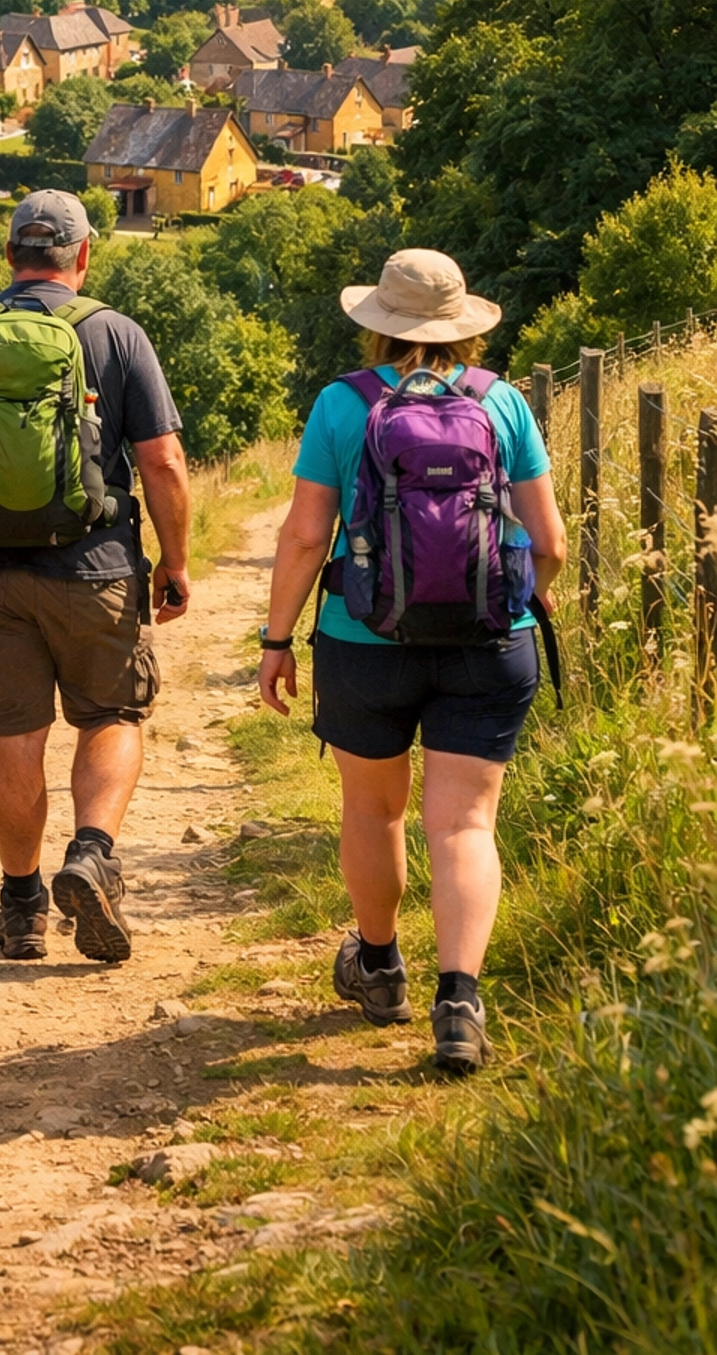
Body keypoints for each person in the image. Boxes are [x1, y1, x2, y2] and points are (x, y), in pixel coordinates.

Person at [258, 248, 567, 1073]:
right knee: (465, 822)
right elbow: (552, 544)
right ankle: (460, 1004)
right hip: (488, 643)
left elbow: (301, 537)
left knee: (374, 810)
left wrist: (278, 639)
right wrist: (500, 601)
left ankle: (381, 964)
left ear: (377, 325)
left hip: (365, 644)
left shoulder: (340, 405)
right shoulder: (501, 403)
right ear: (462, 326)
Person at [0, 191, 192, 967]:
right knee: (110, 716)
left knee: (14, 733)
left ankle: (22, 904)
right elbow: (161, 461)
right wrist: (176, 561)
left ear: (8, 257)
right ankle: (91, 855)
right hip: (96, 565)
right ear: (83, 254)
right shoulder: (116, 333)